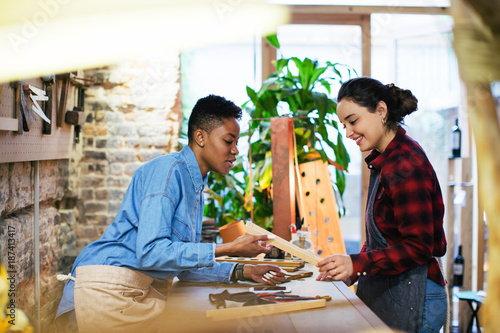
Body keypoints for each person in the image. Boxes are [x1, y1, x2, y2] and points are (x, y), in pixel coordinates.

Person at [55, 95, 286, 333]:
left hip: (131, 293)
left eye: (236, 142)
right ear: (200, 137)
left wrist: (244, 271)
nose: (235, 150)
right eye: (229, 141)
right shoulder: (169, 172)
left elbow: (179, 262)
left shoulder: (194, 184)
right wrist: (228, 248)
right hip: (105, 290)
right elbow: (151, 252)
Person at [317, 78, 447, 333]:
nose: (348, 133)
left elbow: (418, 247)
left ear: (381, 111)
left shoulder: (405, 165)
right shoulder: (384, 159)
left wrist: (356, 262)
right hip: (392, 291)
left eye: (353, 121)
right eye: (344, 125)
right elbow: (383, 236)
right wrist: (351, 269)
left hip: (416, 296)